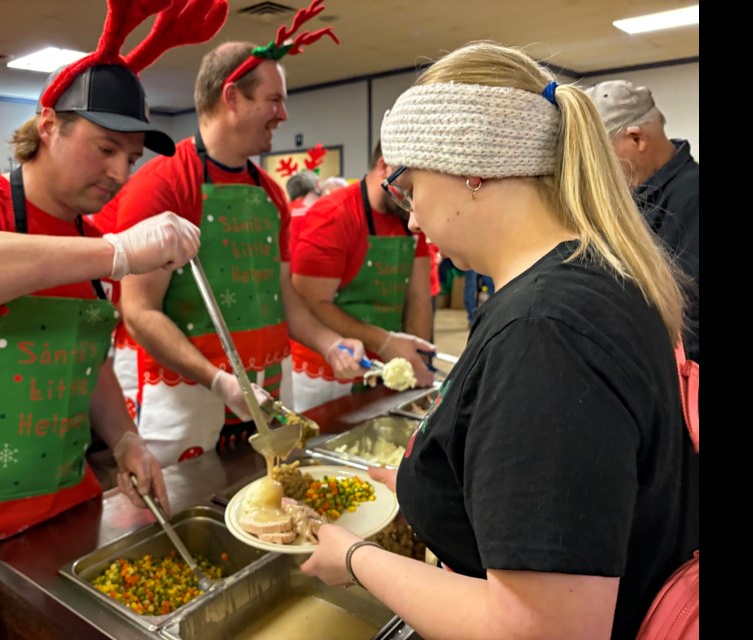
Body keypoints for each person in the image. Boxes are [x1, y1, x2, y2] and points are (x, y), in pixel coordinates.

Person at [299, 41, 698, 640]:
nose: (409, 217)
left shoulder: (547, 334)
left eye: (410, 185)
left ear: (472, 168)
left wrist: (353, 558)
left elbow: (543, 628)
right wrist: (429, 487)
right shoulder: (591, 275)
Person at [0, 1, 222, 636]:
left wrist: (126, 438)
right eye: (106, 147)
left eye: (132, 156)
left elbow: (84, 359)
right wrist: (112, 252)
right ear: (49, 125)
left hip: (60, 521)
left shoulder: (91, 236)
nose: (119, 172)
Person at [96, 0, 366, 466]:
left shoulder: (271, 195)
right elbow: (139, 311)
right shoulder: (163, 185)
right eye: (275, 100)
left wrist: (329, 343)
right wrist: (219, 380)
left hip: (267, 391)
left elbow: (284, 296)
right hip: (186, 399)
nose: (283, 115)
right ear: (233, 97)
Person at [289, 140, 436, 412]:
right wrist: (386, 342)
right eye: (409, 187)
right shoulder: (333, 216)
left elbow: (418, 297)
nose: (414, 199)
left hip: (387, 366)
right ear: (383, 166)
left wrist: (418, 361)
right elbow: (310, 304)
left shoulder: (406, 219)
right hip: (328, 373)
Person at [584, 79, 699, 365]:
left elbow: (686, 315)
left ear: (636, 139)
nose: (598, 168)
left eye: (603, 153)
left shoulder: (691, 198)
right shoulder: (635, 197)